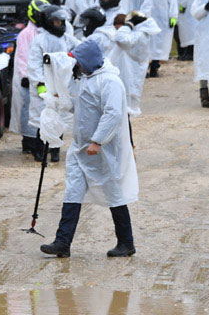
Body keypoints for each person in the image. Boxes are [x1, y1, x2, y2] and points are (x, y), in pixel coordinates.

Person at [40, 40, 138, 259]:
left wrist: (98, 141)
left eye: (79, 62)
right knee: (72, 191)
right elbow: (82, 106)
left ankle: (126, 242)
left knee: (114, 194)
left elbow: (112, 114)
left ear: (89, 61)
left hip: (104, 151)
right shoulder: (86, 79)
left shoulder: (110, 81)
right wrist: (60, 102)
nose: (77, 67)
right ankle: (62, 242)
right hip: (80, 149)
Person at [27, 4, 77, 162]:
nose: (60, 24)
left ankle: (55, 151)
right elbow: (34, 64)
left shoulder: (68, 39)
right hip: (45, 86)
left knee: (59, 117)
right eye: (56, 21)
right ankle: (39, 151)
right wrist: (40, 84)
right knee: (43, 118)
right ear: (48, 21)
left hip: (62, 85)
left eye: (62, 21)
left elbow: (79, 51)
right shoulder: (39, 40)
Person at [10, 0, 49, 157]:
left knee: (41, 109)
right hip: (27, 79)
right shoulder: (25, 34)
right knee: (27, 108)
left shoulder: (44, 32)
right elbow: (22, 56)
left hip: (40, 78)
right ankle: (28, 140)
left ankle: (40, 140)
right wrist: (25, 75)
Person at [144, 0, 180, 77]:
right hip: (148, 17)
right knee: (147, 43)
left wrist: (173, 17)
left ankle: (155, 67)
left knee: (160, 44)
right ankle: (144, 68)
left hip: (163, 17)